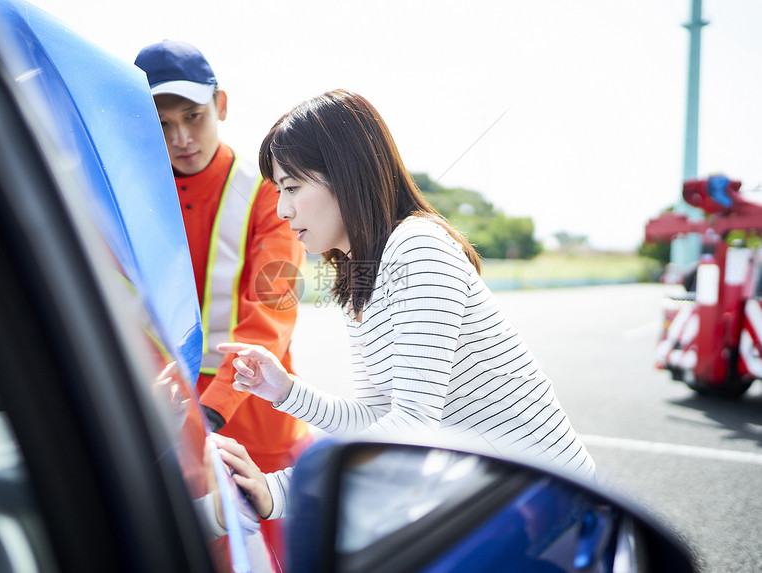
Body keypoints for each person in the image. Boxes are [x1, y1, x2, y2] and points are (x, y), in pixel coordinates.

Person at [216, 89, 596, 521]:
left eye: (292, 187)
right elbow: (380, 417)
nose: (283, 209)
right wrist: (284, 390)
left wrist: (279, 490)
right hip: (498, 510)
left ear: (344, 175)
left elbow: (413, 426)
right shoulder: (363, 274)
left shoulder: (417, 247)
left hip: (551, 512)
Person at [134, 40, 311, 559]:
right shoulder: (125, 203)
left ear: (222, 106)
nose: (182, 138)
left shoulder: (268, 193)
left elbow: (275, 306)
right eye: (163, 124)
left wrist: (209, 412)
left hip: (258, 428)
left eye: (194, 116)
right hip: (167, 430)